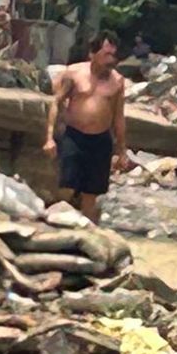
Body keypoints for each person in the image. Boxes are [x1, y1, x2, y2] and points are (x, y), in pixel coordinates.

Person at [44, 31, 128, 221]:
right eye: (106, 54)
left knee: (91, 193)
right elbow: (56, 103)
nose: (111, 60)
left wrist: (121, 150)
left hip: (100, 140)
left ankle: (87, 233)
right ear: (93, 53)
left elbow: (118, 117)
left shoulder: (117, 82)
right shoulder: (73, 74)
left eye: (114, 55)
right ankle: (58, 228)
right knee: (67, 187)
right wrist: (49, 137)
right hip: (74, 136)